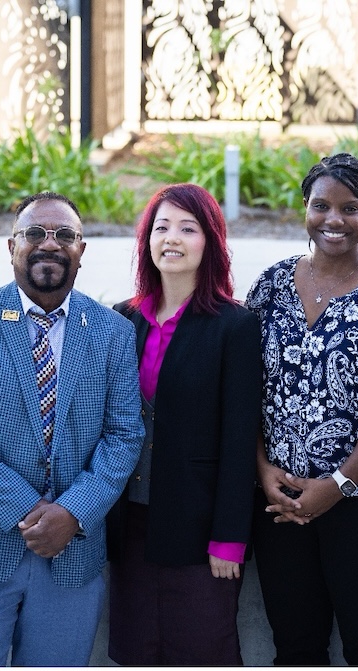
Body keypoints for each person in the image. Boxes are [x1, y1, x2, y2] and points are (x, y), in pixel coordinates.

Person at [0, 191, 145, 667]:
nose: (50, 244)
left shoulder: (113, 332)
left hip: (71, 555)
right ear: (11, 246)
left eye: (65, 235)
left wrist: (72, 513)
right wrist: (27, 508)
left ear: (82, 250)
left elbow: (124, 434)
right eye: (35, 233)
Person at [245, 153, 358, 665]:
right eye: (321, 205)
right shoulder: (273, 285)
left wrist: (337, 486)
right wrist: (262, 470)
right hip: (280, 504)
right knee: (296, 648)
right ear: (305, 209)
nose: (333, 220)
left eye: (350, 208)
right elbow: (245, 390)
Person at [107, 183, 262, 665]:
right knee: (136, 650)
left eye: (187, 228)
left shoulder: (234, 326)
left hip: (199, 530)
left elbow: (240, 440)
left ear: (209, 242)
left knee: (201, 649)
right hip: (128, 524)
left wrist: (230, 538)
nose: (171, 238)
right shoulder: (122, 319)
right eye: (161, 227)